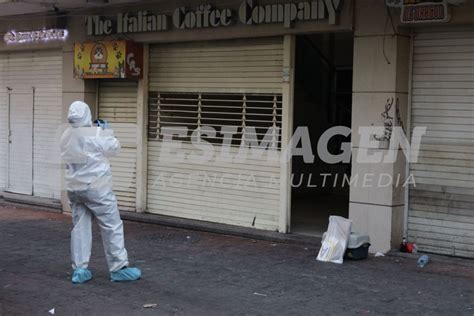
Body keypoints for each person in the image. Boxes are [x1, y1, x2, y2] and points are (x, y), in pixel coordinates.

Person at [60, 101, 141, 284]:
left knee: (80, 227)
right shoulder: (95, 133)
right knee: (111, 225)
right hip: (97, 189)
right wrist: (106, 131)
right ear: (87, 114)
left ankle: (80, 269)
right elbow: (114, 148)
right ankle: (119, 267)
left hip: (74, 188)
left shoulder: (65, 135)